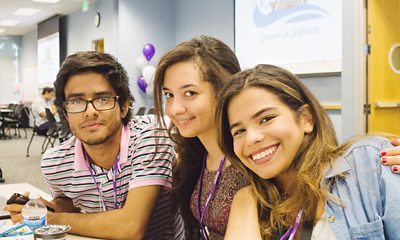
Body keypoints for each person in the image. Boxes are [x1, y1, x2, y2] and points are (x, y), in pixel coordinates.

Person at [6, 51, 184, 240]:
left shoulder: (151, 137)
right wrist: (44, 208)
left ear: (124, 106)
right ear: (65, 113)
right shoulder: (55, 162)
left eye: (102, 99)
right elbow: (70, 202)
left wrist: (52, 219)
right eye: (76, 101)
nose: (90, 112)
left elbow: (131, 227)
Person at [216, 64, 400, 239]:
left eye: (266, 119)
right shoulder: (259, 208)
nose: (251, 138)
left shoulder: (369, 163)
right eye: (239, 131)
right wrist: (245, 199)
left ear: (306, 118)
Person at [153, 36, 248, 239]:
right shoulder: (195, 156)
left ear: (224, 90)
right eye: (169, 95)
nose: (175, 109)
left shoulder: (250, 157)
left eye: (190, 93)